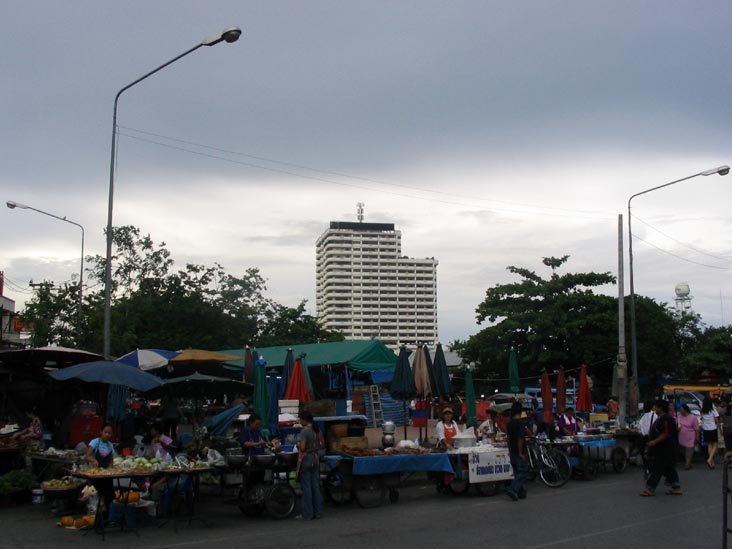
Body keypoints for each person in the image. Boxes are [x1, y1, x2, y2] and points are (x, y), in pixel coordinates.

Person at [640, 400, 682, 497]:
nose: (654, 408)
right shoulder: (660, 418)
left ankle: (650, 488)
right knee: (669, 468)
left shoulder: (666, 419)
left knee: (657, 468)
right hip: (661, 448)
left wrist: (654, 441)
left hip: (665, 448)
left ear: (661, 408)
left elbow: (666, 434)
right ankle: (676, 487)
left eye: (656, 406)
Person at [85, 423, 116, 515]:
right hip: (95, 474)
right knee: (96, 495)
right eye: (105, 432)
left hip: (106, 475)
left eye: (109, 433)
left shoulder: (110, 445)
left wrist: (110, 468)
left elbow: (111, 461)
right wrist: (93, 460)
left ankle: (106, 516)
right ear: (101, 432)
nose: (107, 435)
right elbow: (87, 456)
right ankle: (94, 515)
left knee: (108, 495)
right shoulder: (95, 442)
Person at [297, 411, 322, 520]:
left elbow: (302, 448)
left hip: (307, 459)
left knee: (307, 487)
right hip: (316, 458)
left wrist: (298, 444)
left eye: (300, 419)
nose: (299, 421)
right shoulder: (316, 429)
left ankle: (307, 513)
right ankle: (317, 512)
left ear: (304, 420)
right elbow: (322, 444)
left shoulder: (305, 431)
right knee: (315, 486)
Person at [506, 402, 528, 501]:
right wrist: (520, 452)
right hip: (518, 450)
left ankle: (521, 492)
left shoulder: (510, 423)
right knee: (522, 471)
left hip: (512, 450)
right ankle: (512, 488)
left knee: (516, 471)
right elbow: (520, 438)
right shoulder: (520, 423)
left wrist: (509, 450)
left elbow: (509, 438)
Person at [676, 404, 699, 470]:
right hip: (682, 437)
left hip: (690, 436)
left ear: (685, 410)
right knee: (683, 451)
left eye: (681, 410)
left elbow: (696, 428)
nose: (680, 411)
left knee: (689, 451)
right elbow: (677, 426)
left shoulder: (693, 418)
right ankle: (689, 462)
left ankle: (687, 464)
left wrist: (697, 437)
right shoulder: (679, 417)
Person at [700, 397, 720, 469]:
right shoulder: (713, 410)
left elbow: (701, 419)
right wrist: (719, 428)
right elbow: (717, 420)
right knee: (715, 445)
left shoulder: (702, 411)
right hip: (713, 428)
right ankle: (709, 459)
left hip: (705, 429)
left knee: (709, 445)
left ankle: (712, 463)